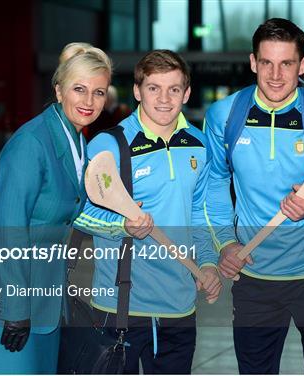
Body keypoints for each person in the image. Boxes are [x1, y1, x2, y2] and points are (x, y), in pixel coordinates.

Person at [203, 18, 304, 374]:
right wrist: (224, 244)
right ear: (253, 62)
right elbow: (213, 184)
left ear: (302, 65)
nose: (275, 74)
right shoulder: (224, 115)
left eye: (286, 63)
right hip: (255, 275)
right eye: (266, 62)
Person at [0, 42, 112, 373]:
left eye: (98, 92)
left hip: (46, 303)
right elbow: (8, 231)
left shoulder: (78, 144)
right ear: (59, 91)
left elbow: (76, 210)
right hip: (8, 305)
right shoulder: (31, 144)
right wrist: (15, 309)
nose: (89, 101)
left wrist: (126, 219)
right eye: (79, 89)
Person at [73, 49, 221, 374]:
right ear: (138, 91)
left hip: (179, 306)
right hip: (121, 307)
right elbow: (80, 215)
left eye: (174, 89)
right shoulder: (108, 146)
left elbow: (199, 214)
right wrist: (122, 226)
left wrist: (208, 264)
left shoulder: (199, 144)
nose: (164, 99)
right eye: (154, 88)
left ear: (187, 92)